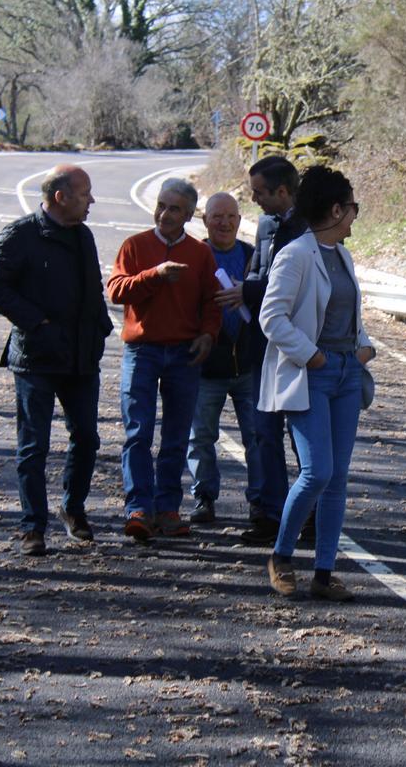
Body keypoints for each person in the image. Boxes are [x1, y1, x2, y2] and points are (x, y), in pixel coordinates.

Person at [0, 165, 112, 556]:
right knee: (33, 446)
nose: (92, 200)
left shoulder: (83, 236)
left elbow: (93, 288)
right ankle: (32, 527)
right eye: (85, 193)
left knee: (87, 438)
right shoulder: (21, 234)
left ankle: (73, 509)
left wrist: (101, 326)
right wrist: (36, 322)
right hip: (37, 358)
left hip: (81, 357)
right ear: (62, 197)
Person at [260, 165, 376, 602]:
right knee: (317, 472)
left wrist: (364, 347)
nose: (353, 216)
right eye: (351, 208)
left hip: (347, 373)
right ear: (335, 209)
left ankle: (324, 572)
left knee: (337, 477)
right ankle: (281, 556)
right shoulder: (295, 255)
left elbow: (350, 316)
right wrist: (314, 355)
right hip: (311, 374)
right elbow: (271, 318)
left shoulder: (341, 255)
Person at [107, 178, 221, 542]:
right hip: (143, 351)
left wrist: (208, 334)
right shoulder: (135, 245)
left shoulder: (200, 253)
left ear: (188, 215)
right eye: (161, 205)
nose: (164, 214)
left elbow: (211, 301)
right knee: (138, 433)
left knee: (175, 436)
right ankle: (138, 508)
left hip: (185, 353)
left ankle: (168, 509)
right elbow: (116, 290)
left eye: (174, 209)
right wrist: (153, 275)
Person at [239, 156, 309, 546]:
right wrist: (246, 286)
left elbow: (297, 287)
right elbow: (258, 272)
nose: (255, 200)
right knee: (264, 433)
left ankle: (309, 513)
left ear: (283, 191)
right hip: (260, 346)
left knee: (302, 435)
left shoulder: (309, 227)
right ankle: (270, 514)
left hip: (297, 346)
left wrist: (246, 291)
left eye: (260, 192)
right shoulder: (265, 225)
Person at [185, 192, 261, 523]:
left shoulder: (253, 257)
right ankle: (204, 497)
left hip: (248, 365)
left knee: (257, 436)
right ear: (205, 220)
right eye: (217, 216)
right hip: (205, 367)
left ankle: (261, 500)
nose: (225, 222)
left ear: (240, 221)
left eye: (231, 216)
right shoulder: (195, 257)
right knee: (200, 436)